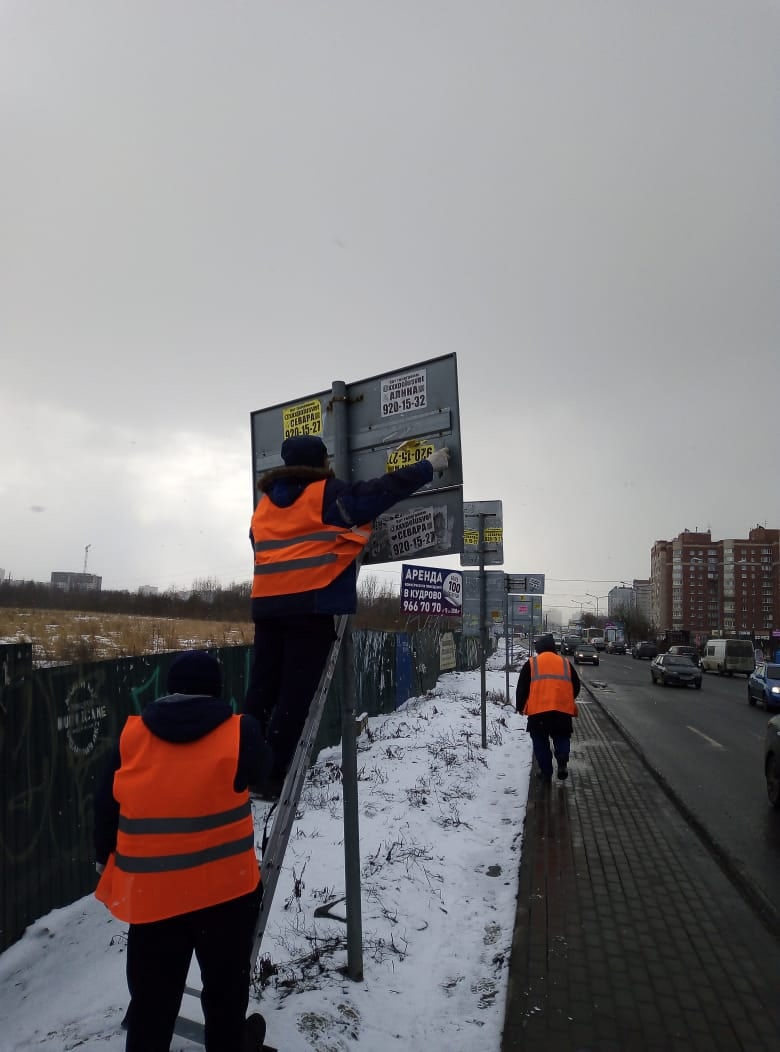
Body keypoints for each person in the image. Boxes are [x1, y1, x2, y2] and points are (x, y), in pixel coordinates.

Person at [244, 433, 450, 795]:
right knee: (294, 696)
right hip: (310, 607)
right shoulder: (326, 495)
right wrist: (427, 467)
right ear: (321, 463)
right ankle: (272, 775)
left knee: (260, 691)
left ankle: (242, 767)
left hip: (267, 607)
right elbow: (380, 491)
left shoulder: (264, 507)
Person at [94, 650, 273, 1052]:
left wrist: (104, 857)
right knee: (225, 1000)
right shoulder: (239, 732)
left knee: (152, 1006)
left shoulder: (132, 736)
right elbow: (264, 771)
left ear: (170, 688)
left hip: (153, 899)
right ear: (218, 691)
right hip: (225, 898)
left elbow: (105, 808)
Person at [516, 633, 581, 783]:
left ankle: (546, 773)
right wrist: (566, 699)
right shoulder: (565, 663)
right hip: (562, 711)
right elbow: (576, 686)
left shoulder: (532, 663)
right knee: (562, 735)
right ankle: (562, 757)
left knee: (540, 742)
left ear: (539, 648)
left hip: (538, 713)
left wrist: (520, 706)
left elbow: (522, 687)